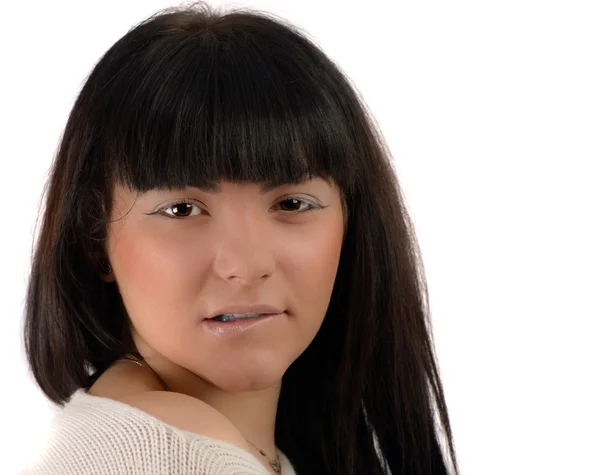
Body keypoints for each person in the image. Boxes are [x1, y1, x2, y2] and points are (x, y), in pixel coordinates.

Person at [23, 2, 458, 474]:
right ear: (94, 239)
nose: (247, 263)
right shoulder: (168, 456)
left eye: (291, 204)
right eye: (182, 209)